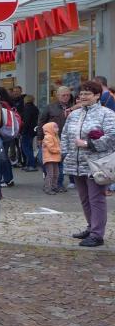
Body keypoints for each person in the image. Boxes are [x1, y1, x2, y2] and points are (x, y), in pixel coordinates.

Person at [61, 79, 115, 247]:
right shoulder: (74, 114)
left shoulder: (107, 114)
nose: (83, 96)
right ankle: (91, 227)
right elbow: (65, 135)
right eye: (81, 93)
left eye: (87, 93)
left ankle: (97, 234)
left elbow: (112, 137)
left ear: (97, 95)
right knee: (84, 198)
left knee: (96, 199)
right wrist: (65, 153)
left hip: (96, 164)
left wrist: (88, 143)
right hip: (76, 163)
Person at [37, 86, 73, 191]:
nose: (66, 97)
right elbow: (41, 122)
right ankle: (49, 181)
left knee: (60, 163)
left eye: (68, 95)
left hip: (66, 139)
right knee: (45, 161)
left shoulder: (73, 107)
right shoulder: (50, 107)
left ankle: (58, 184)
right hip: (51, 139)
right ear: (58, 95)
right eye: (63, 95)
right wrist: (40, 138)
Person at [20, 95, 40, 171]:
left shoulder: (27, 108)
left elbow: (26, 121)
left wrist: (22, 131)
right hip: (32, 130)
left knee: (25, 148)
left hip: (27, 130)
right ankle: (29, 164)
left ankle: (31, 165)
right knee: (29, 147)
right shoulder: (35, 108)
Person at [42, 122, 61, 194]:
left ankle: (54, 187)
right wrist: (59, 150)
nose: (57, 129)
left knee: (56, 173)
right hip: (49, 159)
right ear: (50, 129)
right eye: (55, 127)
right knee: (50, 174)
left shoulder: (55, 136)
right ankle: (48, 188)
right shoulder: (48, 137)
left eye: (57, 127)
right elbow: (51, 148)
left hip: (55, 158)